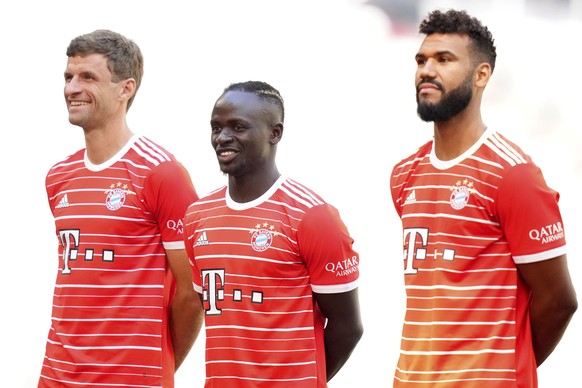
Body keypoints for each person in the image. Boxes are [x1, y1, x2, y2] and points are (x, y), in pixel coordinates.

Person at [390, 9, 578, 387]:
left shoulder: (514, 175)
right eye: (421, 60)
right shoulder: (404, 174)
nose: (427, 70)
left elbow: (559, 301)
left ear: (481, 75)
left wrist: (498, 368)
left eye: (444, 60)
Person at [39, 29, 204, 387]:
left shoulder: (162, 174)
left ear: (125, 89)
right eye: (68, 77)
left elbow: (192, 292)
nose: (71, 88)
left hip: (131, 379)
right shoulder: (59, 176)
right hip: (57, 376)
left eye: (88, 77)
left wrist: (157, 362)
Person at [183, 80, 363, 387]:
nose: (222, 138)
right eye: (216, 127)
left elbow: (348, 328)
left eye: (237, 127)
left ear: (274, 133)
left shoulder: (312, 216)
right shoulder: (197, 216)